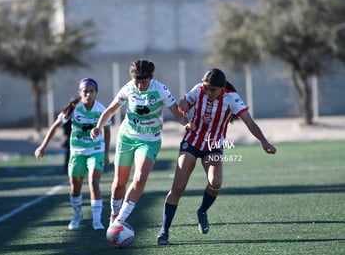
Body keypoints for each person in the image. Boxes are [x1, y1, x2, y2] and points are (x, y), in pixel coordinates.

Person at [157, 68, 277, 245]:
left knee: (216, 182)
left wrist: (264, 142)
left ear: (222, 88)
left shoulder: (232, 98)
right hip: (191, 142)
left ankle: (202, 211)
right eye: (206, 87)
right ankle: (164, 231)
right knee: (179, 187)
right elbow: (184, 104)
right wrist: (183, 106)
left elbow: (250, 123)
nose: (208, 92)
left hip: (213, 146)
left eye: (213, 89)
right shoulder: (198, 90)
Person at [90, 59, 190, 227]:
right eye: (138, 82)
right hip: (127, 138)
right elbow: (111, 110)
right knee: (119, 184)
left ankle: (119, 220)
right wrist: (98, 126)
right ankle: (114, 213)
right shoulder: (129, 88)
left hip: (150, 141)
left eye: (144, 82)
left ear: (151, 78)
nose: (140, 86)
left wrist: (185, 123)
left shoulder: (160, 90)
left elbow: (177, 113)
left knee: (140, 177)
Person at [34, 78, 111, 231]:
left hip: (96, 151)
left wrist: (107, 154)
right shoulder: (73, 108)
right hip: (77, 152)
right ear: (80, 93)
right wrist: (42, 146)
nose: (88, 94)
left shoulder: (101, 109)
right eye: (85, 91)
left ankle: (97, 221)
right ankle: (77, 216)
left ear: (96, 93)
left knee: (94, 183)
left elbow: (107, 131)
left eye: (91, 91)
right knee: (75, 188)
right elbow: (55, 126)